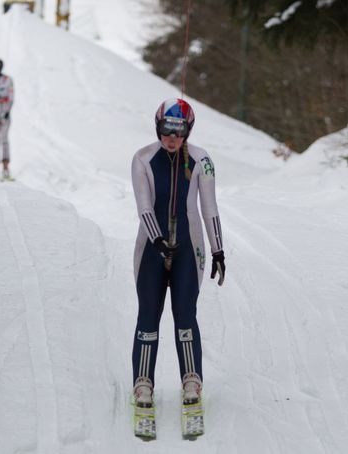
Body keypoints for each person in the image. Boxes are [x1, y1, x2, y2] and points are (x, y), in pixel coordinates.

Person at [130, 98, 225, 418]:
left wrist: (218, 250)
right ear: (157, 127)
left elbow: (209, 207)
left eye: (179, 131)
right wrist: (157, 239)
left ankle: (192, 380)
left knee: (186, 314)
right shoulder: (143, 158)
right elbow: (144, 207)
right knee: (148, 315)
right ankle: (143, 382)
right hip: (150, 249)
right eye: (166, 130)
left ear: (188, 131)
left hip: (189, 248)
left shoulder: (202, 159)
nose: (171, 138)